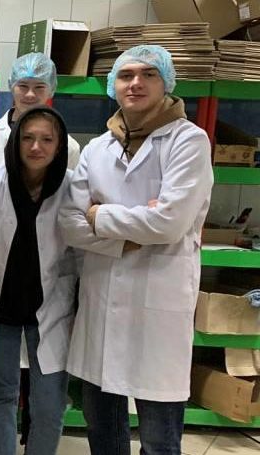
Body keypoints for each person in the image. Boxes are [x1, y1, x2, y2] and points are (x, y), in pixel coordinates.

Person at [60, 45, 213, 455]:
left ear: (167, 83)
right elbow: (70, 223)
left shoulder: (188, 141)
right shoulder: (97, 149)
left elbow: (170, 222)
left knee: (160, 440)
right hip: (102, 305)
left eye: (148, 74)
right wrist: (135, 227)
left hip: (157, 307)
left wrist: (100, 214)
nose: (136, 83)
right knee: (103, 434)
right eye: (126, 75)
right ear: (114, 84)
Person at [0, 51, 79, 454]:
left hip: (52, 309)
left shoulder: (72, 187)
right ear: (15, 141)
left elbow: (83, 247)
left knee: (48, 406)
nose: (36, 146)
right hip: (2, 310)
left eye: (47, 140)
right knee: (1, 397)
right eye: (28, 138)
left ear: (60, 146)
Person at [0, 52, 81, 170]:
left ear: (51, 89)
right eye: (23, 86)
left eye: (39, 87)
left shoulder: (69, 147)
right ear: (11, 86)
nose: (30, 94)